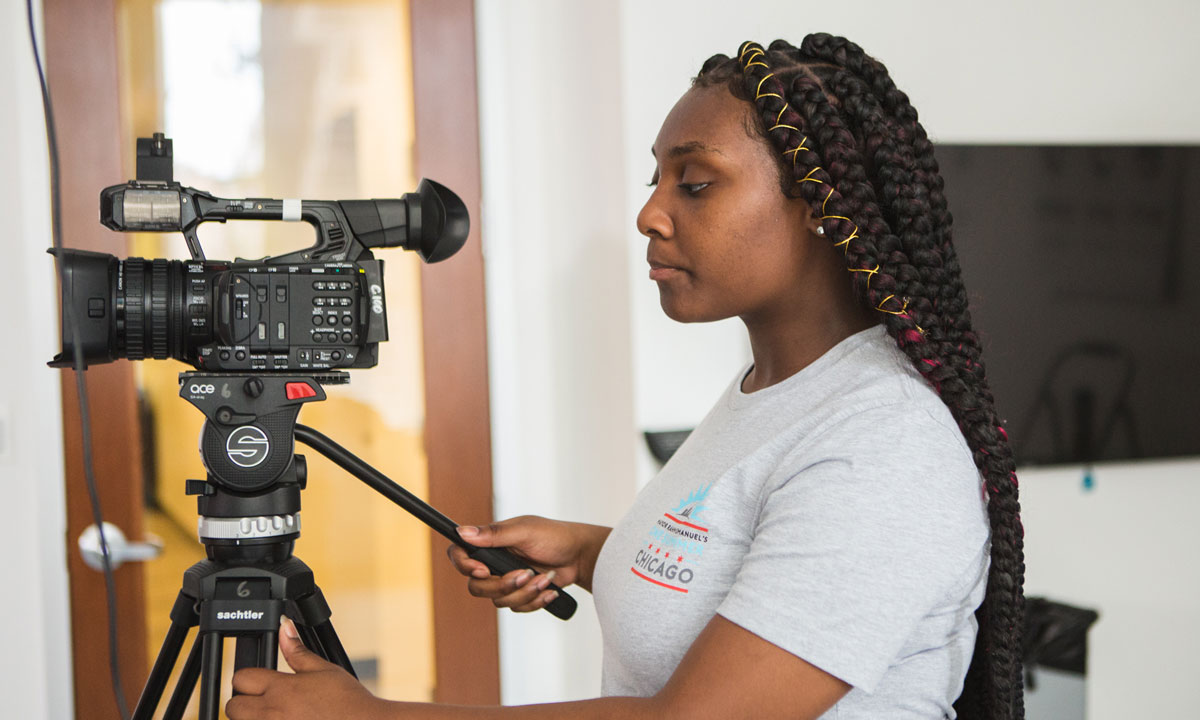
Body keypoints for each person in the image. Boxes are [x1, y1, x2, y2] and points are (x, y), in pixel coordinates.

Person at [226, 34, 1025, 720]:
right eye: (657, 180)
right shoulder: (777, 391)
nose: (651, 213)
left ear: (820, 203)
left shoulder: (886, 442)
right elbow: (757, 565)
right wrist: (596, 554)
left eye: (696, 182)